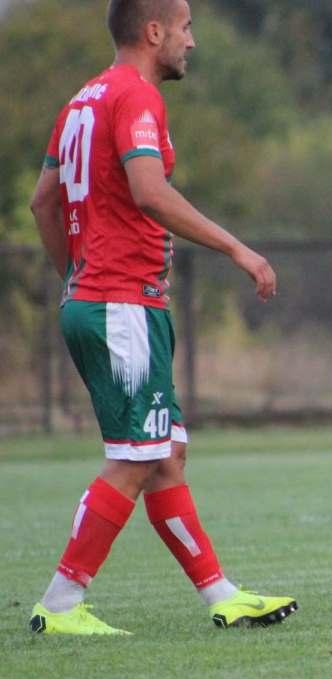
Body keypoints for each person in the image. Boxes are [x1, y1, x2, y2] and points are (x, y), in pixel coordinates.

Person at [26, 0, 296, 634]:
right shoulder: (135, 96)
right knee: (136, 456)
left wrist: (75, 275)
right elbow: (149, 190)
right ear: (154, 32)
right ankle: (61, 602)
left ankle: (221, 595)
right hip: (120, 303)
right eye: (186, 28)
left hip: (103, 299)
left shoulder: (80, 102)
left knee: (164, 453)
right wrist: (237, 248)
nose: (191, 43)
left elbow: (43, 201)